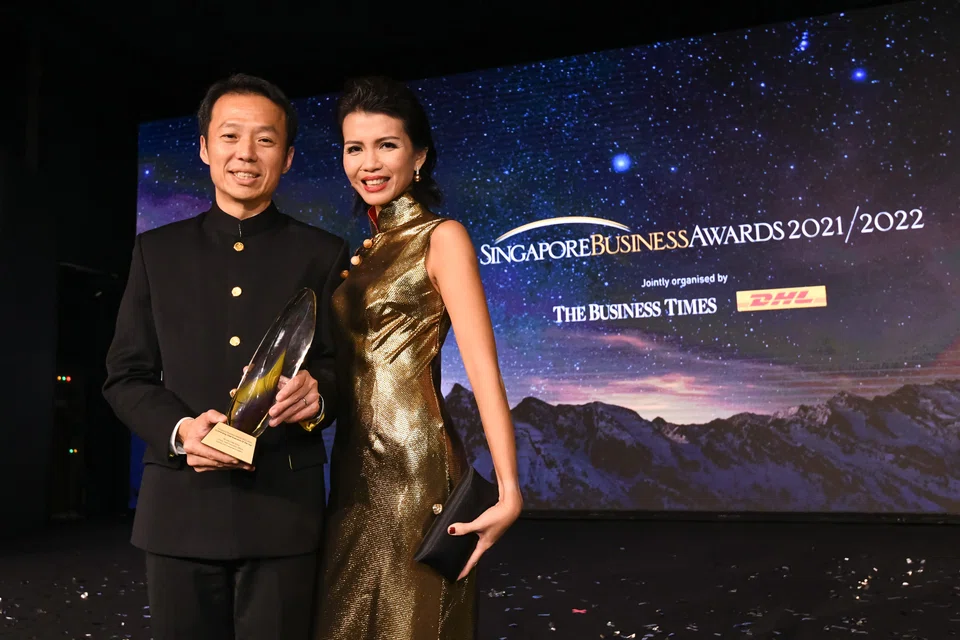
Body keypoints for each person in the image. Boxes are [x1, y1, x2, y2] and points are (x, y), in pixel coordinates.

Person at [103, 73, 348, 640]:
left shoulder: (323, 253)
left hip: (284, 514)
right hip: (179, 513)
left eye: (265, 140)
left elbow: (341, 372)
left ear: (286, 158)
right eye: (230, 136)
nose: (246, 153)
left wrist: (318, 396)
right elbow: (125, 376)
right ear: (205, 147)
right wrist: (180, 427)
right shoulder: (156, 252)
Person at [313, 76, 523, 640]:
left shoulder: (442, 237)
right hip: (355, 472)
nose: (369, 162)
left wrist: (509, 490)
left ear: (420, 155)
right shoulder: (363, 253)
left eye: (387, 145)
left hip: (417, 472)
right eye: (354, 147)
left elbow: (482, 369)